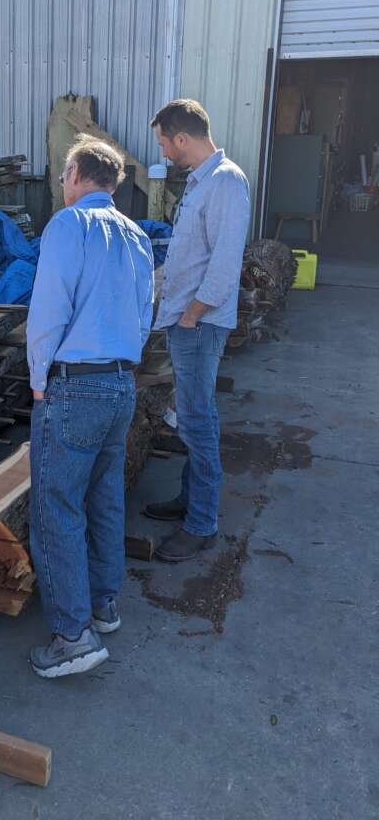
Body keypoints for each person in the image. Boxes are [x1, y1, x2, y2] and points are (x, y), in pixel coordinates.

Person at [26, 137, 154, 678]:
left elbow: (49, 309)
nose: (61, 183)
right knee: (104, 497)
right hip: (121, 383)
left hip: (74, 384)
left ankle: (72, 635)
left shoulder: (67, 225)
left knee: (56, 506)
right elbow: (148, 312)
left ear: (77, 172)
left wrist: (38, 379)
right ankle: (103, 604)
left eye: (63, 174)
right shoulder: (138, 234)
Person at [146, 99, 250, 563]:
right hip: (186, 319)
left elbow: (226, 265)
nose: (164, 152)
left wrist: (191, 314)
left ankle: (202, 523)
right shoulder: (200, 182)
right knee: (191, 416)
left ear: (181, 137)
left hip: (200, 324)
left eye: (165, 142)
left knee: (198, 421)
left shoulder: (226, 182)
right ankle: (190, 500)